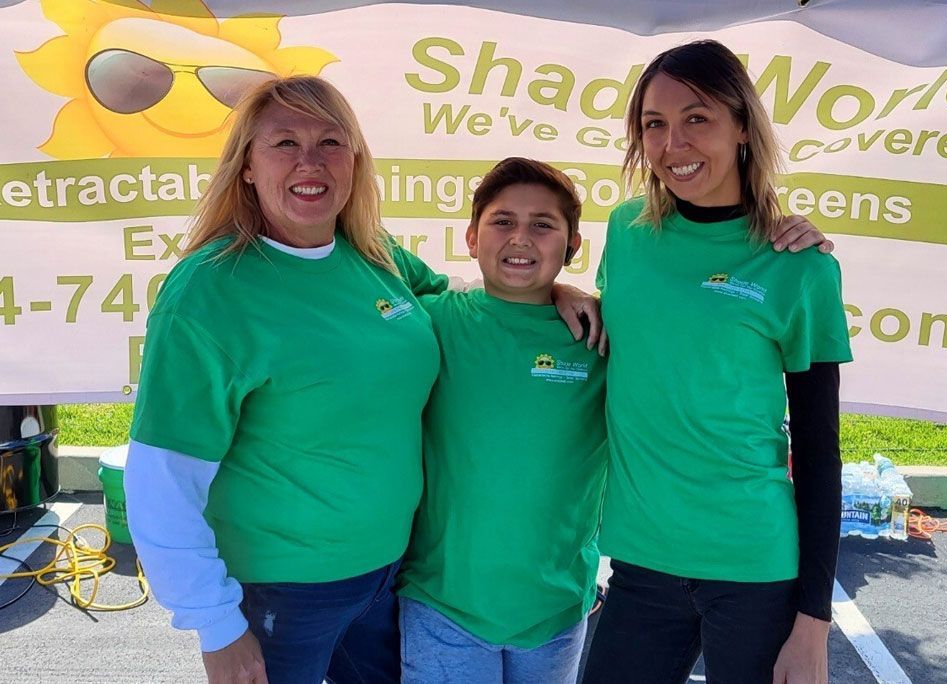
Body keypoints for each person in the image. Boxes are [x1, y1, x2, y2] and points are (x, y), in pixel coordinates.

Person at [123, 75, 602, 684]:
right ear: (246, 166)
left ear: (355, 160)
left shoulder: (373, 255)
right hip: (283, 593)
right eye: (284, 143)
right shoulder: (209, 291)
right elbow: (163, 477)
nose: (309, 161)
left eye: (330, 142)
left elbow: (473, 300)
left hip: (389, 579)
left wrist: (557, 290)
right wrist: (214, 624)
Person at [582, 40, 853, 684]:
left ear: (741, 127)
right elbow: (627, 327)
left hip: (755, 571)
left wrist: (814, 619)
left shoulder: (801, 268)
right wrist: (566, 293)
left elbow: (820, 449)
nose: (673, 144)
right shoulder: (626, 232)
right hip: (641, 565)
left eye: (696, 118)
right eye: (654, 124)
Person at [396, 158, 606, 683]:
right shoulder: (432, 320)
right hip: (443, 603)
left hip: (554, 608)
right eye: (502, 221)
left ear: (572, 245)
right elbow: (360, 248)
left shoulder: (600, 338)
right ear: (471, 237)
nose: (521, 238)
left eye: (543, 225)